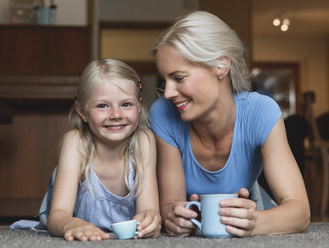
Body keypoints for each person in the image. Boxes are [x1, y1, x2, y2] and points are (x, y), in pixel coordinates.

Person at [149, 11, 310, 237]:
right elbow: (170, 204)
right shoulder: (163, 114)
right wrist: (174, 217)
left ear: (221, 66)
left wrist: (255, 222)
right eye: (164, 80)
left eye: (179, 78)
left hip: (250, 205)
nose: (167, 93)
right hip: (197, 221)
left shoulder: (260, 112)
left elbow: (300, 212)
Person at [39, 59, 161, 241]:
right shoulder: (75, 143)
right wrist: (70, 224)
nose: (116, 115)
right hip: (69, 220)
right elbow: (57, 215)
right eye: (103, 106)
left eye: (126, 104)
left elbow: (148, 209)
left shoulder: (144, 141)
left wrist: (150, 220)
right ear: (82, 111)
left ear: (139, 105)